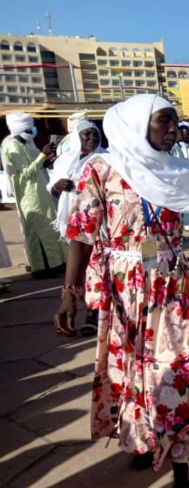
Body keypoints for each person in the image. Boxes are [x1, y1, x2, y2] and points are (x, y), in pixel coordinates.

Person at [53, 94, 189, 488]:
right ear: (136, 125)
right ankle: (141, 437)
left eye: (174, 121)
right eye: (163, 121)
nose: (172, 129)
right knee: (130, 372)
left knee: (178, 374)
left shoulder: (179, 170)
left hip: (170, 286)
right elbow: (82, 235)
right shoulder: (101, 169)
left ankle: (181, 484)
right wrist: (69, 293)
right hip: (124, 289)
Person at [47, 118, 104, 336]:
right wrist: (57, 186)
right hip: (74, 222)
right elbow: (51, 187)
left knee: (95, 270)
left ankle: (93, 314)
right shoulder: (64, 161)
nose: (92, 137)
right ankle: (80, 303)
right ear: (76, 137)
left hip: (98, 224)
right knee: (80, 268)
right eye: (86, 134)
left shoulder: (105, 159)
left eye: (95, 134)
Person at [1, 112, 66, 278]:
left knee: (49, 228)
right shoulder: (13, 146)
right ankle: (41, 268)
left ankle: (54, 263)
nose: (33, 133)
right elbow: (27, 172)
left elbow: (36, 167)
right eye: (30, 131)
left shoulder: (26, 144)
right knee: (36, 233)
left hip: (40, 192)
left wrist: (47, 159)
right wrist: (43, 154)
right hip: (29, 196)